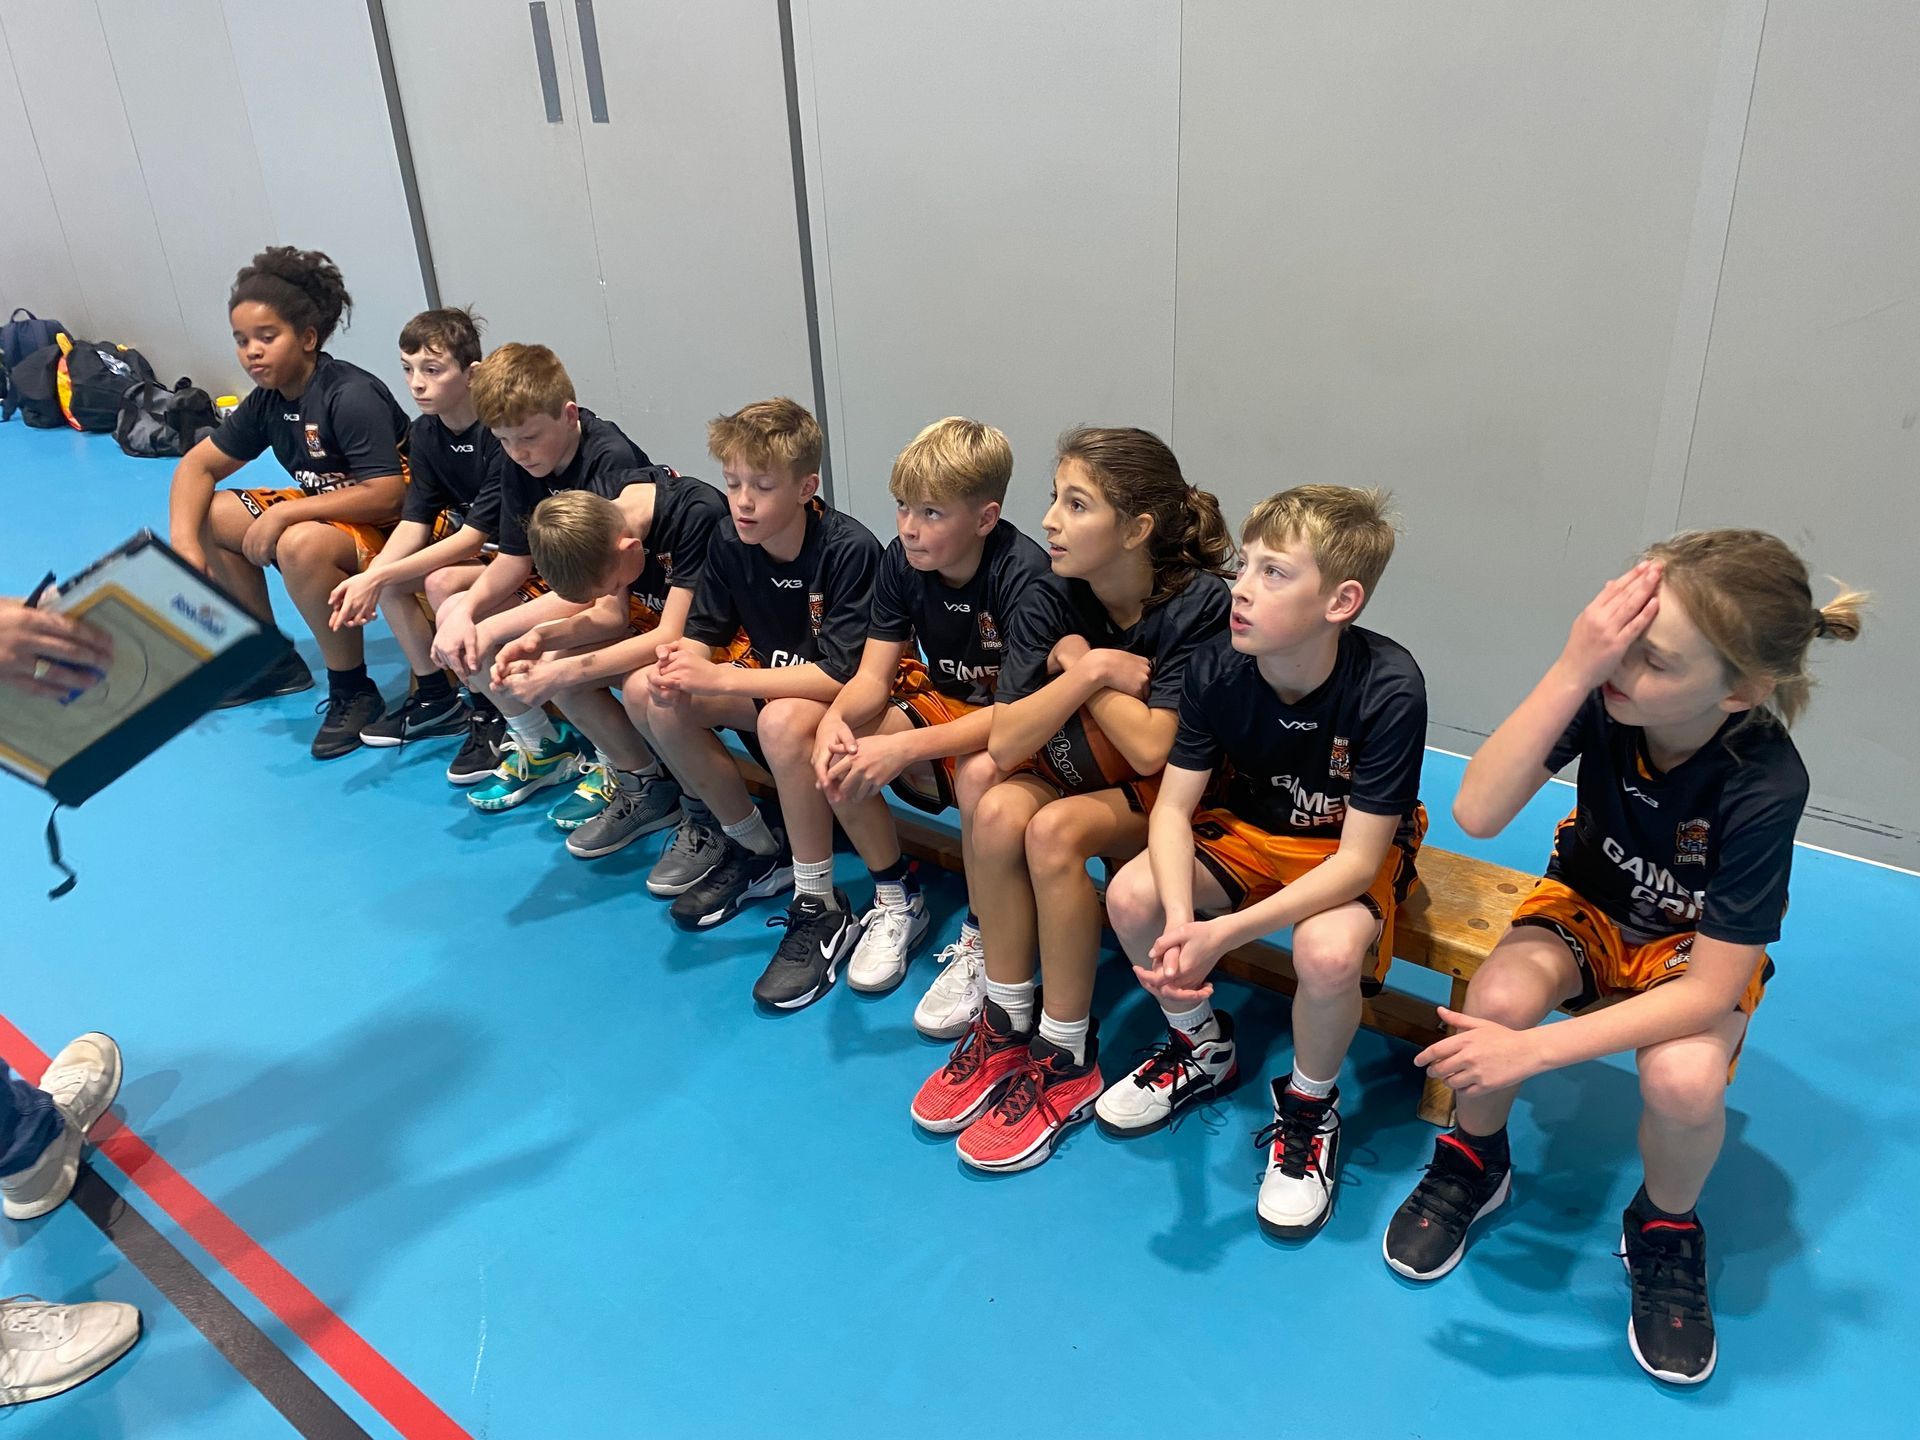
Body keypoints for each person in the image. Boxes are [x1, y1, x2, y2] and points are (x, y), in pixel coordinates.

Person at [1383, 530, 1866, 1386]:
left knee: (1684, 1080)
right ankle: (1475, 1158)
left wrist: (1534, 1053)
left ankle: (1665, 1226)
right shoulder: (1605, 693)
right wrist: (1576, 665)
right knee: (1496, 1000)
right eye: (1620, 638)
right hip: (1591, 903)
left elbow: (1709, 990)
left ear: (1739, 691)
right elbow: (1479, 811)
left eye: (1655, 658)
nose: (1622, 665)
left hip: (1692, 945)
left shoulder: (1765, 783)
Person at [1098, 486, 1426, 1242]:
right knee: (1132, 897)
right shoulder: (1216, 668)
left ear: (1342, 601)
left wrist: (1223, 934)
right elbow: (1172, 811)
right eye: (1245, 566)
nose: (1241, 589)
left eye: (1274, 572)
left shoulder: (1389, 687)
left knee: (1328, 951)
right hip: (1250, 832)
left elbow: (1356, 864)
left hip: (1342, 850)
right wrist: (1182, 924)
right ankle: (1200, 1047)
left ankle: (1310, 1107)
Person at [910, 426, 1233, 1172]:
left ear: (1137, 529)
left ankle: (1066, 1053)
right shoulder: (1050, 593)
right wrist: (1089, 674)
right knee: (994, 805)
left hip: (1185, 797)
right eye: (1054, 498)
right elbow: (1005, 740)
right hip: (1084, 769)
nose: (1050, 520)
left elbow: (1153, 749)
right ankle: (1005, 1021)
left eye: (1076, 504)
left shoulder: (1198, 604)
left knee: (1052, 830)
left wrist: (1080, 667)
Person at [794, 418, 1052, 1005]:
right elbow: (871, 678)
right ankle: (896, 896)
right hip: (949, 706)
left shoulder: (1025, 577)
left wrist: (903, 747)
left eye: (932, 513)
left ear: (985, 519)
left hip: (1025, 731)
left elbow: (1013, 719)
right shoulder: (901, 561)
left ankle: (986, 936)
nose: (909, 527)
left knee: (981, 774)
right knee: (836, 744)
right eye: (903, 506)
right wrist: (835, 719)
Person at [635, 398, 880, 964]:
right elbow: (703, 631)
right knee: (652, 692)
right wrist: (680, 663)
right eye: (732, 482)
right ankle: (757, 848)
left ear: (806, 488)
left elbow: (842, 676)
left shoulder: (849, 550)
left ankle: (819, 899)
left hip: (847, 704)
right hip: (771, 689)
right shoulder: (728, 539)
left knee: (781, 719)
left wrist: (719, 678)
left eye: (762, 486)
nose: (743, 500)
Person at [166, 246, 410, 759]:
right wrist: (185, 547)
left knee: (298, 544)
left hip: (404, 527)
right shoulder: (269, 401)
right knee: (211, 513)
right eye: (241, 340)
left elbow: (389, 493)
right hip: (338, 512)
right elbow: (196, 467)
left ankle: (353, 691)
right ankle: (269, 660)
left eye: (266, 337)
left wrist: (284, 512)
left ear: (307, 338)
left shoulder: (349, 394)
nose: (251, 352)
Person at [425, 343, 650, 812]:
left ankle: (626, 766)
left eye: (528, 437)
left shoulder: (608, 458)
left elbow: (599, 595)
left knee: (545, 652)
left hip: (623, 595)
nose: (518, 452)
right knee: (457, 611)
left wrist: (490, 629)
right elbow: (513, 560)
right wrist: (465, 614)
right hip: (573, 586)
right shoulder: (519, 460)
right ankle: (542, 745)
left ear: (569, 415)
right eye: (504, 441)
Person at [489, 466, 735, 858]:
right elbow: (611, 615)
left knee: (631, 682)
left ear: (631, 549)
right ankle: (645, 786)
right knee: (560, 662)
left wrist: (558, 673)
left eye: (616, 584)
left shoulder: (696, 514)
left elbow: (673, 636)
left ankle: (703, 810)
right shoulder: (604, 507)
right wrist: (540, 638)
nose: (619, 589)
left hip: (720, 642)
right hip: (662, 632)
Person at [327, 307, 496, 748]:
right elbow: (415, 520)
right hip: (482, 554)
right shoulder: (424, 434)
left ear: (472, 374)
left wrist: (377, 575)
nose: (416, 383)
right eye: (408, 369)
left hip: (519, 556)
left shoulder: (499, 432)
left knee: (436, 581)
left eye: (432, 370)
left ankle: (490, 712)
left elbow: (472, 537)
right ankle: (437, 699)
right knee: (388, 581)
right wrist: (374, 575)